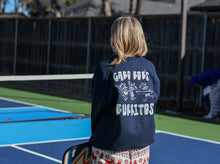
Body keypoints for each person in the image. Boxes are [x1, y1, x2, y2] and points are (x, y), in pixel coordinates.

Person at [89, 16, 160, 164]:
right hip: (142, 147)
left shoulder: (106, 68)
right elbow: (153, 101)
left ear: (115, 38)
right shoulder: (149, 67)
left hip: (110, 147)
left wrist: (96, 137)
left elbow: (97, 108)